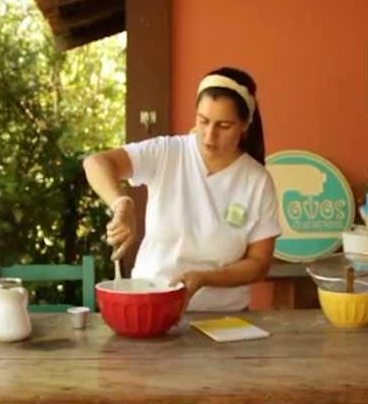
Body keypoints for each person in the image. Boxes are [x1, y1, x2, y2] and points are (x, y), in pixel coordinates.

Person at [83, 67, 282, 312]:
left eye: (224, 125)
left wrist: (204, 278)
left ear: (245, 125)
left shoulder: (257, 181)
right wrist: (121, 203)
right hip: (150, 306)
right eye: (203, 121)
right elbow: (96, 163)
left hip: (223, 316)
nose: (210, 136)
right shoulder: (168, 152)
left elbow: (259, 264)